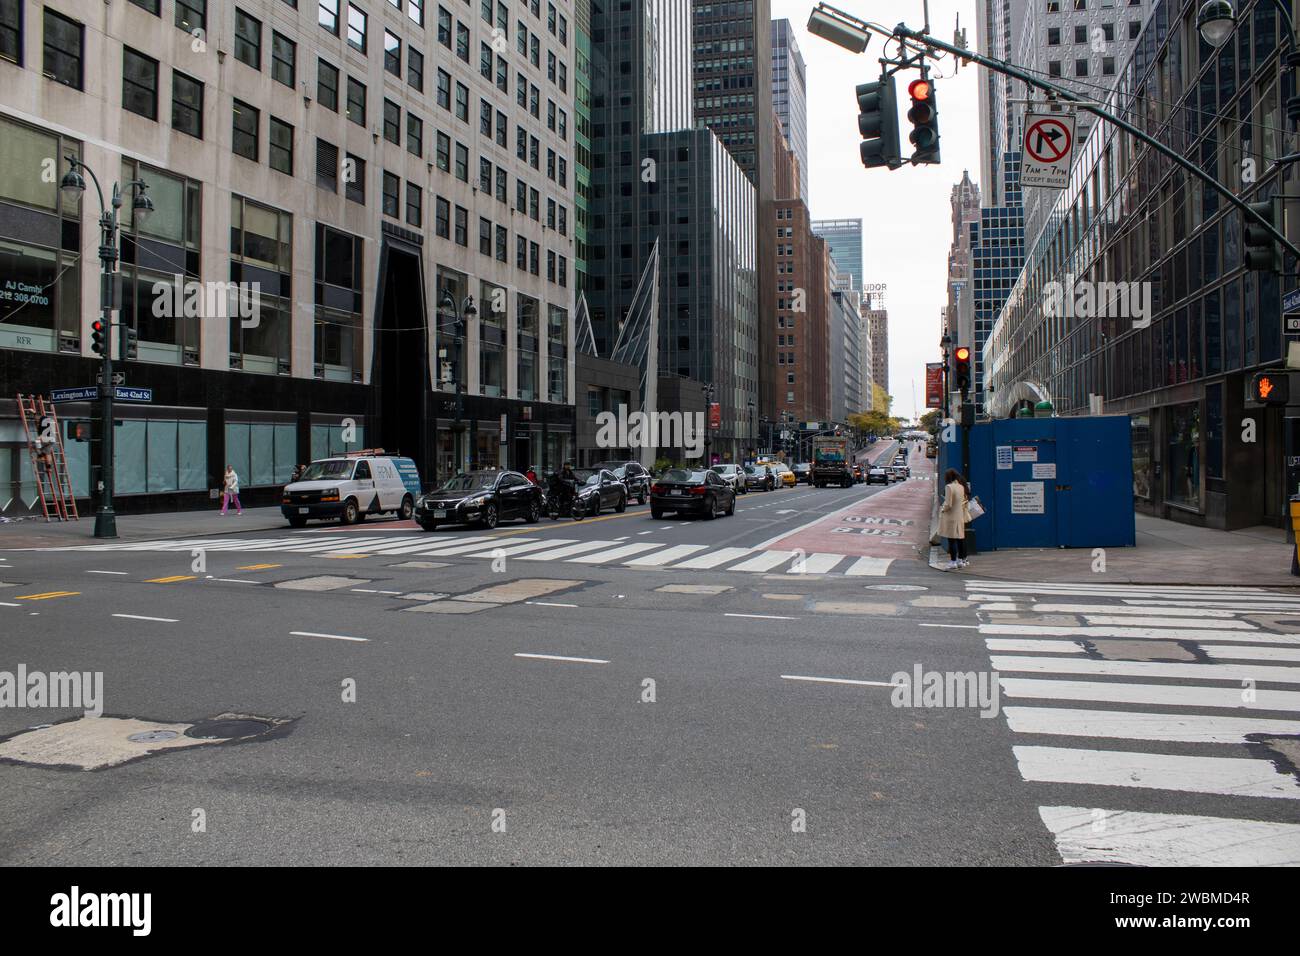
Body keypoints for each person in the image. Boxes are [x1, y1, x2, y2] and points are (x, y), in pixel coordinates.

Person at [938, 468, 970, 570]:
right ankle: (960, 560)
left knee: (951, 540)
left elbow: (948, 504)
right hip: (959, 516)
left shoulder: (949, 487)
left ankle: (953, 561)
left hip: (950, 517)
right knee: (960, 539)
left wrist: (942, 509)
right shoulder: (960, 486)